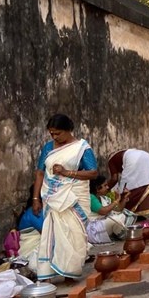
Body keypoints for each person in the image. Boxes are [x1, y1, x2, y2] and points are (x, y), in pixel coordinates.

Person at [31, 113, 98, 281]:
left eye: (58, 133)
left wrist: (67, 172)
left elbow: (93, 173)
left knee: (74, 234)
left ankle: (70, 273)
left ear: (69, 130)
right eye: (52, 133)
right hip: (53, 198)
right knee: (51, 234)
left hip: (74, 197)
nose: (55, 137)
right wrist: (35, 198)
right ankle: (47, 274)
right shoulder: (48, 148)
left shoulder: (82, 148)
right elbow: (40, 173)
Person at [106, 148, 149, 216]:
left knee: (126, 188)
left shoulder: (111, 160)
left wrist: (106, 189)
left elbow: (114, 178)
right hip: (147, 156)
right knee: (145, 182)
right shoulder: (123, 153)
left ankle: (129, 212)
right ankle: (144, 210)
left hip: (133, 160)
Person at [86, 175, 132, 245]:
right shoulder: (91, 198)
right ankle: (128, 236)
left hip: (103, 226)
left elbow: (118, 210)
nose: (108, 187)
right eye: (105, 185)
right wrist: (116, 201)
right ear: (97, 188)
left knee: (122, 215)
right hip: (94, 230)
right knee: (116, 220)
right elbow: (103, 211)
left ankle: (121, 234)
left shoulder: (103, 198)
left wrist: (124, 199)